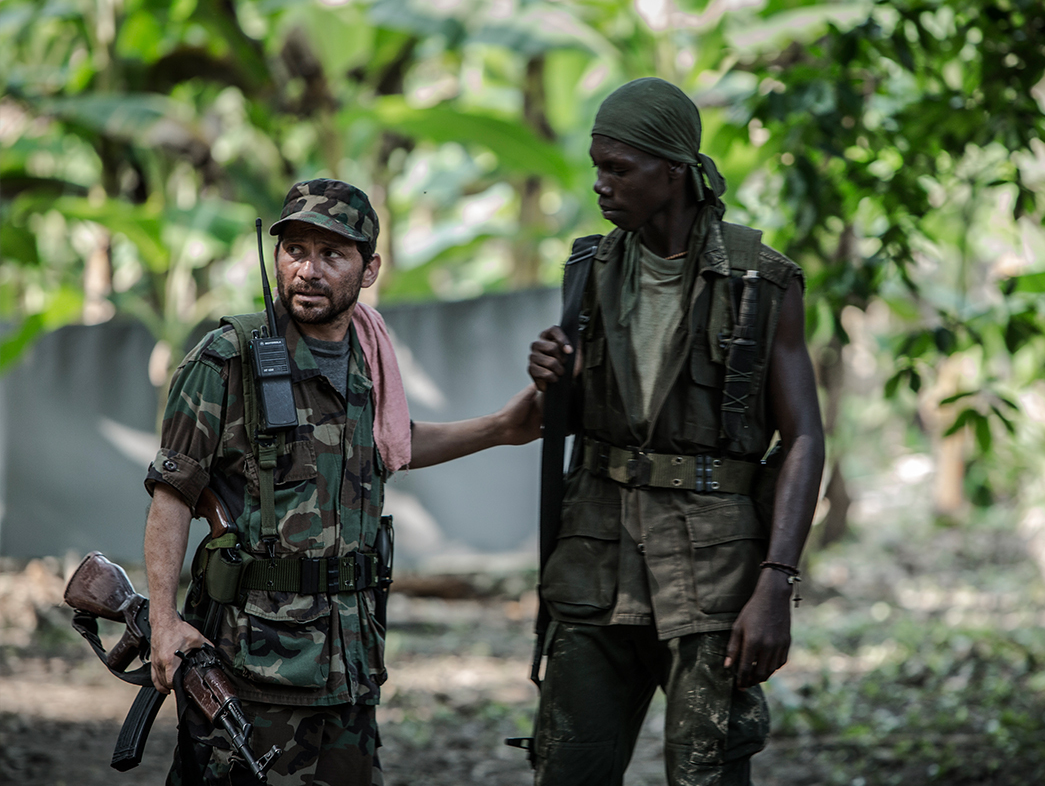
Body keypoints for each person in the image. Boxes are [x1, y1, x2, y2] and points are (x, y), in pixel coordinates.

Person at [143, 178, 541, 785]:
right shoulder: (227, 358)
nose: (308, 270)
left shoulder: (369, 357)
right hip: (256, 666)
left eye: (332, 254)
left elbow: (391, 444)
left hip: (351, 659)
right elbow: (173, 493)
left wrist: (500, 429)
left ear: (369, 268)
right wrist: (164, 622)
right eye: (295, 250)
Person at [526, 78, 825, 785]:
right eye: (597, 166)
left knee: (707, 772)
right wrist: (555, 377)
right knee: (567, 768)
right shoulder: (589, 270)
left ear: (673, 170)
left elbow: (805, 438)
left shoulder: (760, 282)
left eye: (618, 168)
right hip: (595, 567)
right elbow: (575, 421)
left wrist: (776, 583)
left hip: (712, 577)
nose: (600, 184)